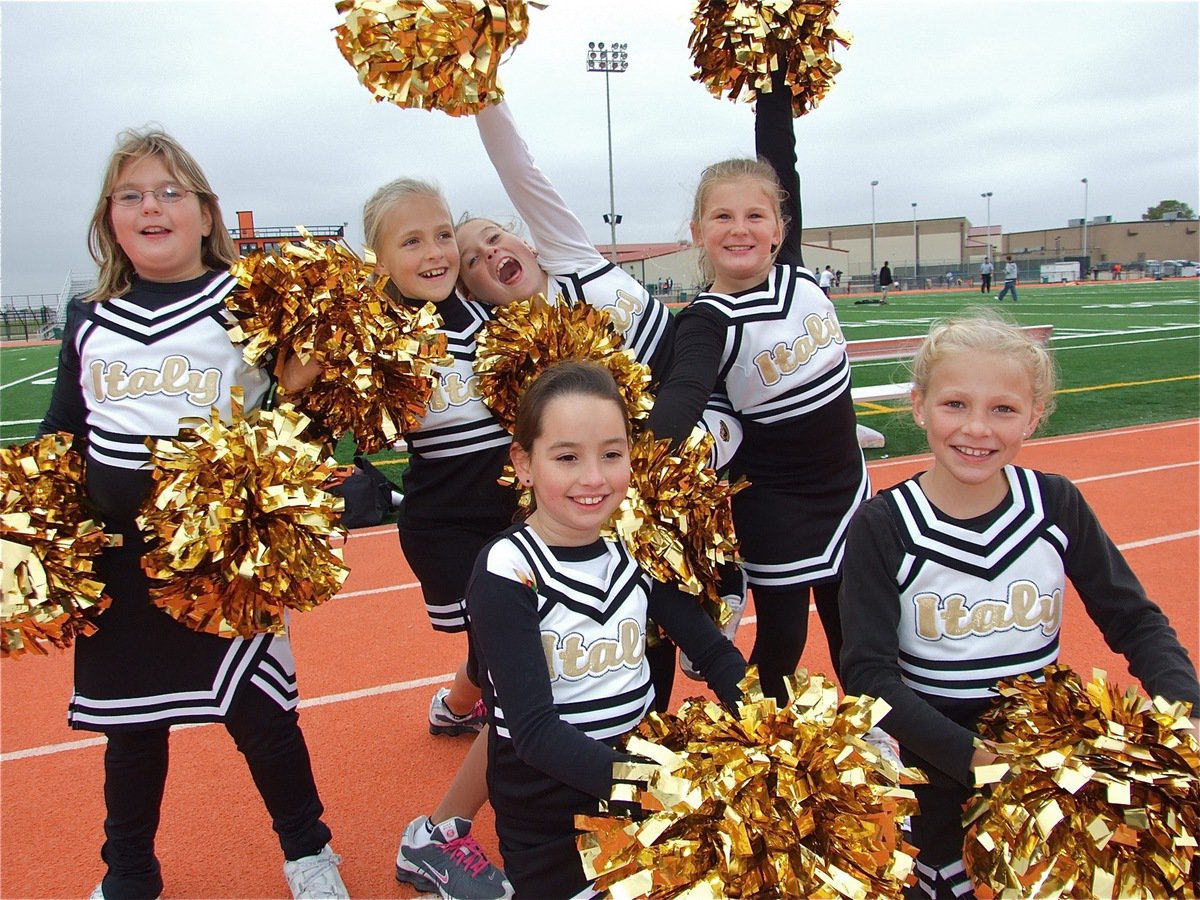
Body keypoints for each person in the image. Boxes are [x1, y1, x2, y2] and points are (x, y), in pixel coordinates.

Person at [37, 127, 346, 900]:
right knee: (130, 731)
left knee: (262, 717)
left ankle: (308, 853)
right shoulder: (89, 316)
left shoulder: (246, 303)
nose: (152, 206)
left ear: (205, 215)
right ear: (110, 219)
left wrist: (302, 395)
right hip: (119, 561)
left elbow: (308, 409)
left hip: (222, 559)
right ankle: (129, 871)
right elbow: (63, 431)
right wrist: (34, 523)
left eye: (170, 192)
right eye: (132, 195)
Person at [838, 312, 1200, 900]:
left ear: (1034, 416)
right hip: (939, 766)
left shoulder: (1054, 504)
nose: (977, 428)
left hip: (1048, 756)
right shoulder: (884, 525)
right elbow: (869, 677)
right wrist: (976, 759)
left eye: (1003, 409)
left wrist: (1186, 708)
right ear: (920, 407)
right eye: (955, 404)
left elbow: (1134, 620)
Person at [468, 359, 747, 898]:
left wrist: (771, 726)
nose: (594, 478)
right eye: (567, 457)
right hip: (550, 821)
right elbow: (535, 734)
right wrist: (659, 787)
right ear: (524, 464)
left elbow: (713, 653)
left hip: (638, 794)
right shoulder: (508, 569)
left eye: (612, 454)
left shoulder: (635, 550)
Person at [643, 64, 870, 704]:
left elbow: (781, 151)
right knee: (783, 639)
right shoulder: (706, 320)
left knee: (857, 626)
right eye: (721, 217)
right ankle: (765, 730)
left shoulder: (793, 273)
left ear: (780, 228)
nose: (739, 228)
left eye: (754, 215)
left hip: (846, 484)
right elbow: (684, 395)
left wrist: (772, 59)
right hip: (777, 504)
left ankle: (873, 725)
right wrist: (637, 454)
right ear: (698, 234)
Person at [356, 177, 517, 900]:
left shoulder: (489, 315)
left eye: (443, 234)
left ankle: (454, 707)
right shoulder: (376, 337)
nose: (434, 252)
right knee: (520, 676)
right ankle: (436, 836)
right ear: (380, 259)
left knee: (508, 655)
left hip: (515, 519)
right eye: (411, 240)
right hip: (446, 527)